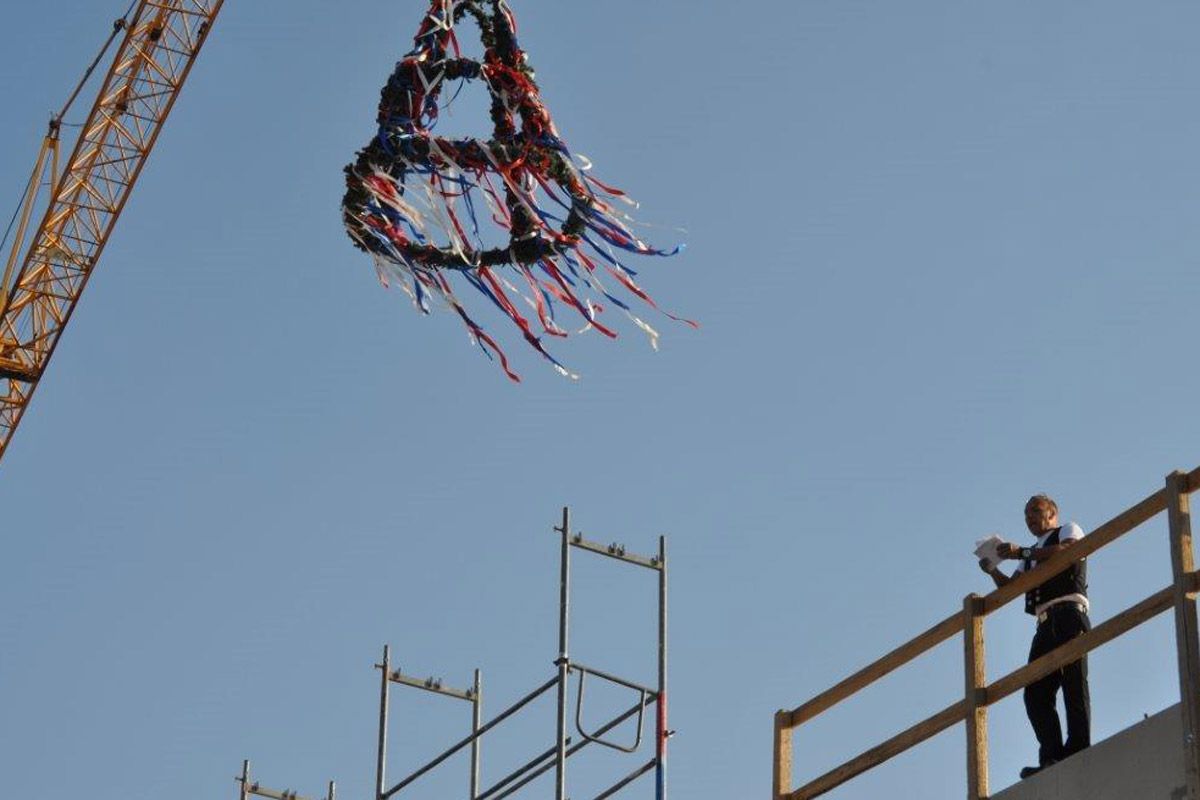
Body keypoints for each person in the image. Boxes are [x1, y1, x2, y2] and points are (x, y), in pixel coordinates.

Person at [978, 494, 1091, 779]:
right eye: (1026, 513)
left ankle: (1078, 747)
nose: (1029, 517)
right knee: (1036, 693)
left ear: (1053, 513)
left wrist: (1023, 553)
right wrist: (993, 570)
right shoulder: (1030, 554)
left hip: (1068, 613)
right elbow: (1011, 588)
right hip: (1044, 623)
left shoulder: (1067, 529)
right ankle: (1051, 756)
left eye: (1036, 511)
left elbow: (1070, 551)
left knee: (1073, 682)